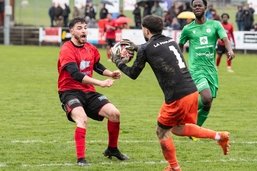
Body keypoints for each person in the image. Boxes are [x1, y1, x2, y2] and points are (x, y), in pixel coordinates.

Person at [111, 15, 230, 171]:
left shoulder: (146, 48)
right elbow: (155, 47)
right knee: (177, 128)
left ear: (146, 30)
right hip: (192, 91)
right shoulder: (170, 41)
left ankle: (174, 167)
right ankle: (219, 136)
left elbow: (133, 73)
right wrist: (136, 47)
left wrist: (118, 62)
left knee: (161, 131)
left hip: (177, 96)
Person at [57, 17, 128, 166]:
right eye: (79, 28)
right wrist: (100, 83)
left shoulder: (90, 48)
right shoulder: (66, 50)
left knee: (115, 114)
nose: (83, 30)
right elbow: (76, 74)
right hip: (69, 91)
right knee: (82, 119)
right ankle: (81, 159)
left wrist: (110, 73)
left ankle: (112, 149)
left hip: (88, 92)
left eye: (84, 27)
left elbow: (97, 66)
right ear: (71, 31)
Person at [179, 0, 235, 128]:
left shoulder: (215, 25)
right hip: (196, 69)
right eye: (195, 6)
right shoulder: (187, 29)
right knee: (207, 97)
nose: (197, 7)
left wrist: (230, 50)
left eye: (200, 5)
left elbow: (225, 39)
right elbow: (179, 46)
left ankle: (194, 130)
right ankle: (183, 111)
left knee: (208, 103)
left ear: (206, 7)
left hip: (211, 69)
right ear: (192, 9)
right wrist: (180, 62)